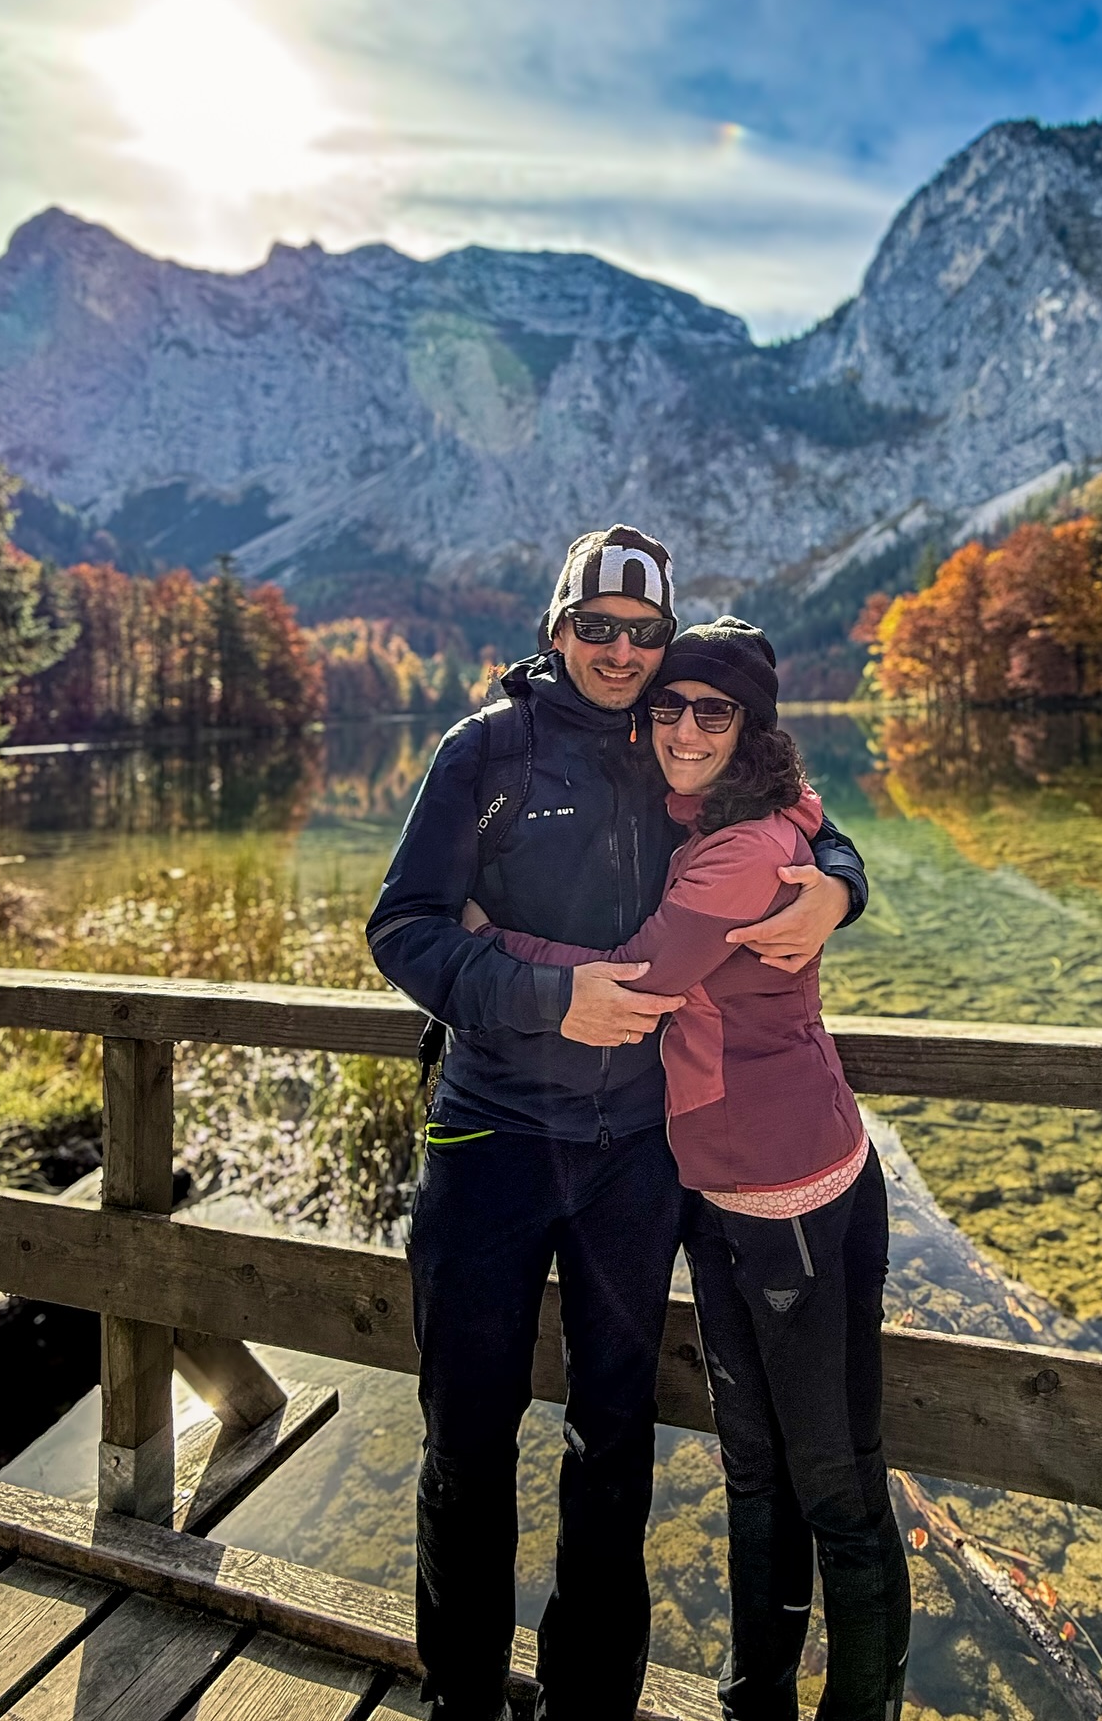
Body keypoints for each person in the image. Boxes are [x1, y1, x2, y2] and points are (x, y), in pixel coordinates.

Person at [367, 529, 868, 1721]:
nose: (624, 654)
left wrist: (845, 885)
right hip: (490, 1137)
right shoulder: (481, 752)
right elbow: (406, 930)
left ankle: (590, 1700)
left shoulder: (678, 750)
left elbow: (805, 818)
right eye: (599, 628)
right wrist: (550, 997)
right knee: (467, 1438)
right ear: (557, 628)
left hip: (636, 1158)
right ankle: (466, 1696)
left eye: (646, 634)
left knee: (614, 1441)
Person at [465, 617, 909, 1721]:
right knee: (757, 1471)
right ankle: (755, 1698)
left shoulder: (735, 847)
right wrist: (842, 879)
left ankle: (859, 1709)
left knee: (836, 1486)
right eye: (671, 706)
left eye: (715, 712)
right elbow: (823, 826)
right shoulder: (739, 814)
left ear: (751, 726)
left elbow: (641, 982)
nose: (685, 728)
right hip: (732, 1180)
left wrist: (494, 942)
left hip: (785, 1183)